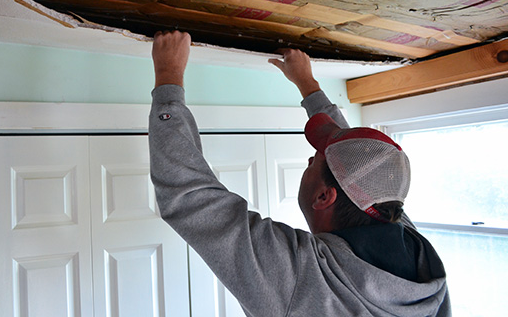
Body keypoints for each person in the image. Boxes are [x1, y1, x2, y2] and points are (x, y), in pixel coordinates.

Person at [149, 30, 451, 316]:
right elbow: (359, 161)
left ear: (324, 196)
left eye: (314, 160)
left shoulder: (303, 280)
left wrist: (168, 78)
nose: (310, 158)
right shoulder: (414, 250)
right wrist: (308, 83)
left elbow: (189, 197)